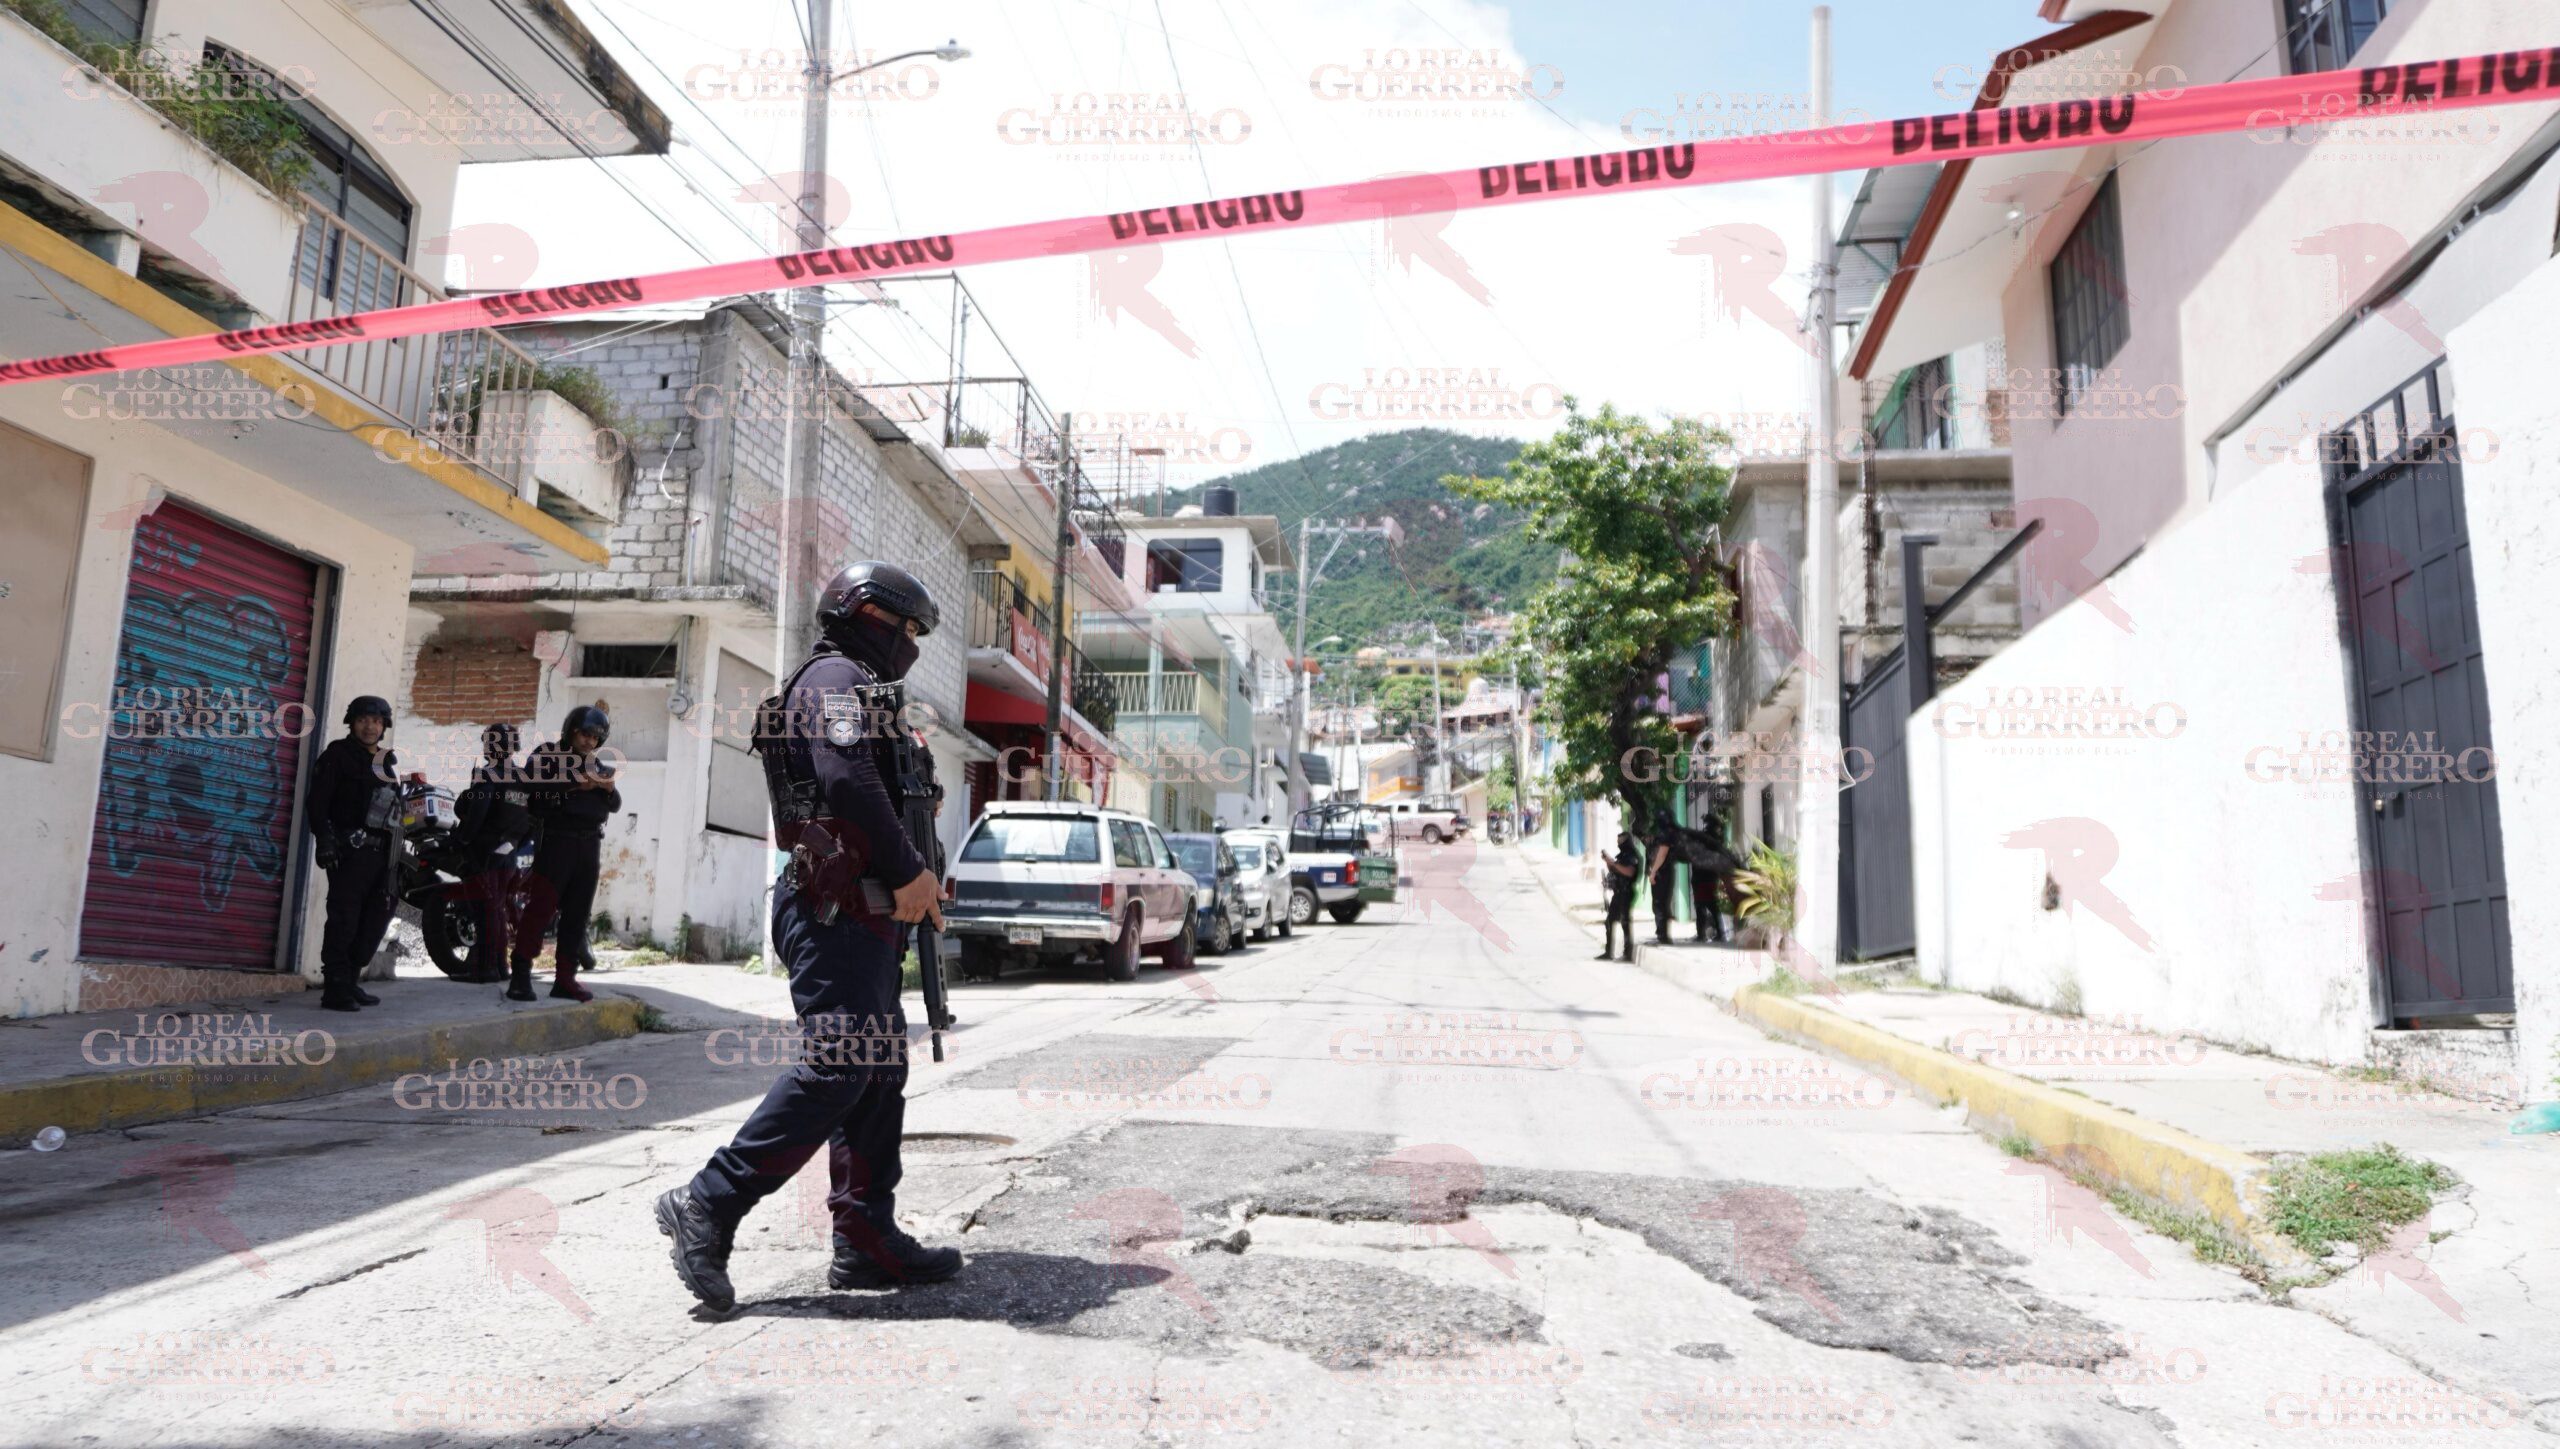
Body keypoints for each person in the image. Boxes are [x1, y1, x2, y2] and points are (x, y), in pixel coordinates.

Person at [656, 562, 961, 1314]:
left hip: (871, 913)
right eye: (908, 628)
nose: (914, 644)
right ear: (865, 614)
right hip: (833, 909)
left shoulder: (863, 687)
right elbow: (846, 780)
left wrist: (918, 882)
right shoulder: (831, 681)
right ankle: (708, 1201)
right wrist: (910, 871)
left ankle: (865, 1237)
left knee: (876, 1071)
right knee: (839, 1066)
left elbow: (886, 789)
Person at [512, 705, 618, 1003]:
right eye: (585, 734)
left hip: (589, 845)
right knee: (540, 909)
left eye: (596, 738)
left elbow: (615, 802)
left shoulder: (597, 765)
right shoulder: (548, 756)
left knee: (577, 915)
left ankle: (565, 979)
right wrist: (578, 784)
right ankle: (520, 974)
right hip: (557, 841)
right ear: (572, 731)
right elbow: (530, 786)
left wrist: (606, 789)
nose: (589, 742)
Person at [304, 696, 399, 1012]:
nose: (370, 726)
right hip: (349, 852)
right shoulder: (337, 755)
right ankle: (335, 987)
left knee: (375, 919)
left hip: (381, 855)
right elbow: (317, 804)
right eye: (363, 719)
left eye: (376, 721)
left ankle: (351, 981)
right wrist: (326, 842)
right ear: (352, 722)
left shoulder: (385, 762)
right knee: (345, 920)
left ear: (384, 726)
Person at [452, 722, 538, 995]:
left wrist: (462, 840)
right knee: (497, 909)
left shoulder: (487, 774)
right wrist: (514, 845)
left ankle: (485, 969)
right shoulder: (524, 779)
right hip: (509, 856)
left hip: (485, 853)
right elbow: (533, 821)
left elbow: (478, 812)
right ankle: (499, 966)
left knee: (485, 911)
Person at [1598, 830, 1641, 962]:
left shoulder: (1632, 856)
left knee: (1624, 922)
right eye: (1618, 842)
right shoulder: (1622, 855)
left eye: (1621, 842)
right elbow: (1616, 869)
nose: (1619, 844)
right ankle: (1608, 952)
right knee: (1610, 921)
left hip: (1626, 892)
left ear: (1627, 842)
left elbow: (1629, 872)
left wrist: (1614, 863)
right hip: (1618, 893)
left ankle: (1627, 953)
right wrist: (1608, 861)